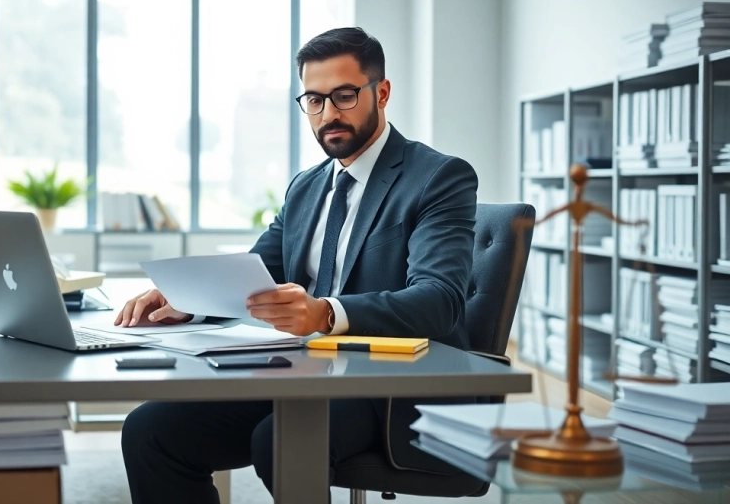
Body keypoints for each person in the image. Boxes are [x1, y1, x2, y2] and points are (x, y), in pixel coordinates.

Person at [115, 27, 478, 503]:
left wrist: (326, 313)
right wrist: (185, 296)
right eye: (314, 99)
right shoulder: (306, 188)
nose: (328, 114)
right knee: (151, 430)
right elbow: (253, 273)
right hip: (307, 371)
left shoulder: (438, 178)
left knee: (280, 439)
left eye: (344, 96)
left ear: (382, 92)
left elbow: (440, 300)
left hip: (390, 387)